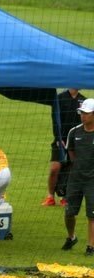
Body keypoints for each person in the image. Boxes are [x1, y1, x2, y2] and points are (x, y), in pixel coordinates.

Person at [62, 98, 94, 255]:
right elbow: (71, 153)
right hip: (75, 179)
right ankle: (71, 237)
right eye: (82, 113)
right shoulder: (74, 132)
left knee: (92, 214)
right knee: (69, 212)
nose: (83, 116)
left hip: (92, 181)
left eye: (87, 114)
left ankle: (91, 246)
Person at [45, 89, 87, 207]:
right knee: (55, 168)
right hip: (60, 140)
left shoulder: (83, 100)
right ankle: (50, 197)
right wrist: (58, 138)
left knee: (70, 169)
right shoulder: (59, 98)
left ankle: (65, 197)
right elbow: (55, 119)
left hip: (75, 140)